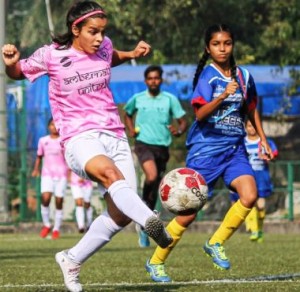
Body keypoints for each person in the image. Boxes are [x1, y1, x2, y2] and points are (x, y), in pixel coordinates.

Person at [2, 2, 172, 291]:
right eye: (93, 32)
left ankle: (71, 259)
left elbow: (109, 57)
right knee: (110, 175)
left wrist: (130, 53)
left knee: (119, 214)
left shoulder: (104, 46)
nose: (99, 38)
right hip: (79, 137)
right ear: (75, 29)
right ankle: (150, 220)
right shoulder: (52, 55)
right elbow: (19, 73)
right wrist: (11, 63)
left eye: (102, 32)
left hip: (115, 134)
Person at [145, 23, 275, 283]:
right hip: (206, 151)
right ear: (208, 48)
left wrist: (262, 138)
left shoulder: (244, 76)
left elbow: (251, 108)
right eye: (216, 44)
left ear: (233, 45)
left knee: (249, 196)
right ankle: (156, 261)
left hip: (235, 149)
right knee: (188, 214)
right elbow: (200, 113)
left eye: (227, 43)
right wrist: (222, 97)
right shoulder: (209, 76)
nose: (222, 48)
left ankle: (215, 243)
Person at [124, 65, 187, 248]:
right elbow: (127, 114)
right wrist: (130, 129)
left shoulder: (169, 100)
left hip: (163, 146)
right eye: (150, 78)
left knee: (156, 184)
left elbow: (183, 121)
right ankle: (143, 210)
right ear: (145, 81)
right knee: (150, 176)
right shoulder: (138, 98)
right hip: (143, 143)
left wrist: (179, 131)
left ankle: (144, 223)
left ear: (160, 80)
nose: (153, 81)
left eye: (156, 78)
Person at [230, 119, 278, 242]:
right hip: (246, 178)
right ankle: (254, 230)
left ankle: (259, 230)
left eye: (254, 126)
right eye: (249, 126)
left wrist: (269, 156)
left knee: (261, 206)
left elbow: (274, 154)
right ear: (245, 127)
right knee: (249, 203)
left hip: (262, 179)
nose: (252, 129)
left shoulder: (265, 142)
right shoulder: (242, 143)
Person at [32, 118, 68, 240]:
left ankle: (56, 229)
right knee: (45, 198)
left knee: (58, 201)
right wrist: (36, 169)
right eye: (52, 125)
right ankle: (47, 225)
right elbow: (39, 156)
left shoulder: (63, 141)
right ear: (48, 126)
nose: (54, 127)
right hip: (47, 174)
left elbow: (68, 158)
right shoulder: (43, 141)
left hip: (61, 174)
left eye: (56, 125)